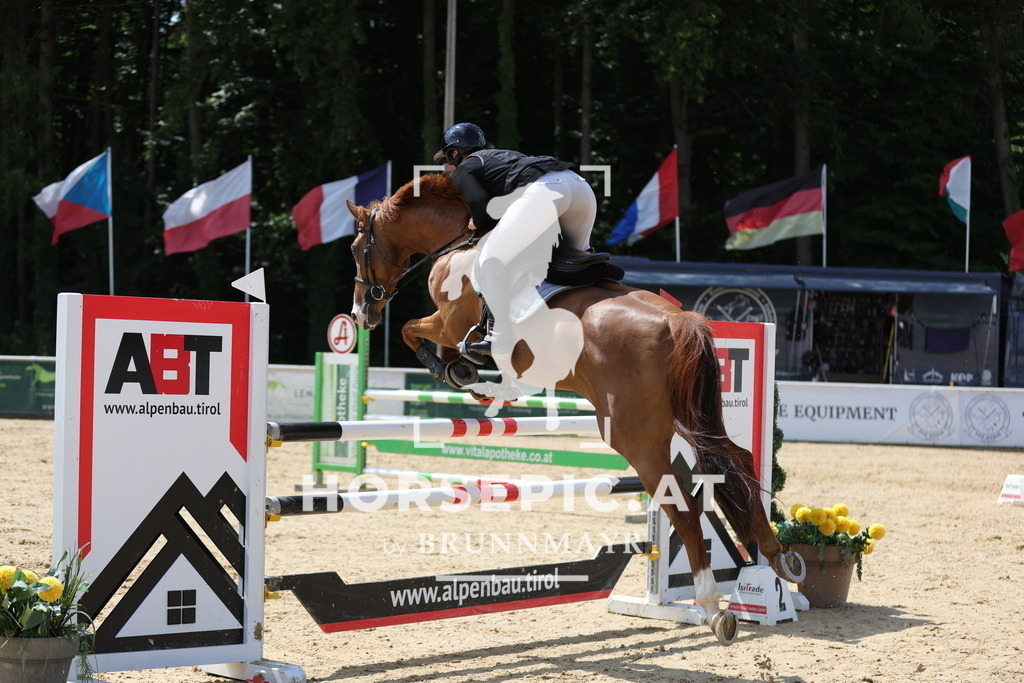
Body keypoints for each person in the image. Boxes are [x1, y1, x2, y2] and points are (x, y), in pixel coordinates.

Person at [434, 122, 597, 368]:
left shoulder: (464, 168)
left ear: (455, 153)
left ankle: (498, 336)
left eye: (448, 158)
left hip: (545, 191)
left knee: (489, 258)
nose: (450, 165)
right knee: (578, 260)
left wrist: (477, 222)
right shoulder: (502, 156)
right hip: (579, 185)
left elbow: (480, 204)